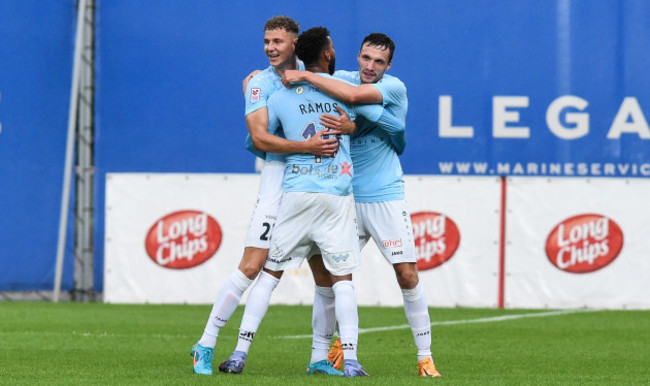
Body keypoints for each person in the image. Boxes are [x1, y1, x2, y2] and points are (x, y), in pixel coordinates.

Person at [219, 26, 406, 378]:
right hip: (336, 199)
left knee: (270, 274)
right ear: (328, 54)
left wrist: (253, 98)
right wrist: (349, 127)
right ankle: (349, 359)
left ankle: (240, 353)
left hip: (297, 195)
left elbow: (258, 142)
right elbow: (370, 113)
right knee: (342, 281)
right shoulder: (347, 96)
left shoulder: (279, 97)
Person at [282, 33, 442, 377]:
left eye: (379, 62)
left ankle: (425, 356)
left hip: (384, 195)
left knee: (407, 274)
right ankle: (322, 356)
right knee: (330, 279)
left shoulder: (394, 87)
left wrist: (353, 121)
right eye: (366, 58)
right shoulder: (339, 80)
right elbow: (303, 76)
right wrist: (259, 78)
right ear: (357, 56)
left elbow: (355, 100)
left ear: (389, 66)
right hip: (344, 198)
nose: (371, 67)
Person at [190, 16, 340, 376]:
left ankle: (319, 358)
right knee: (252, 266)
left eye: (277, 41)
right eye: (267, 41)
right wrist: (305, 147)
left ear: (294, 42)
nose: (271, 48)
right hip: (278, 178)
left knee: (325, 273)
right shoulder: (259, 83)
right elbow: (259, 138)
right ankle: (206, 344)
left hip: (315, 183)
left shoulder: (310, 72)